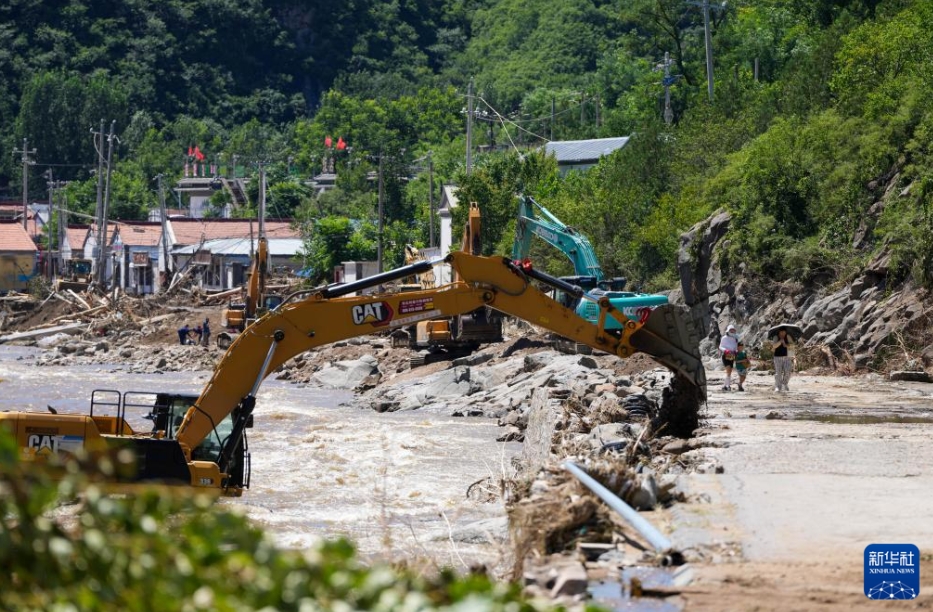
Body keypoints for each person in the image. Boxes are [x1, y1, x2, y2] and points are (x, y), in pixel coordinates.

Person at [719, 323, 740, 391]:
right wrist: (725, 350)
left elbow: (736, 347)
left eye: (733, 330)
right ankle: (728, 386)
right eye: (731, 330)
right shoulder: (724, 338)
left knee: (729, 371)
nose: (732, 331)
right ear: (728, 330)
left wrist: (736, 351)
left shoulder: (735, 338)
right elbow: (720, 346)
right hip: (725, 356)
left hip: (732, 356)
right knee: (728, 370)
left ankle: (725, 386)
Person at [772, 327, 794, 392]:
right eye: (781, 332)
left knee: (788, 371)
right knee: (778, 372)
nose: (782, 334)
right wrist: (780, 342)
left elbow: (792, 345)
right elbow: (774, 346)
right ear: (779, 332)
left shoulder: (788, 336)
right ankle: (778, 386)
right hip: (777, 357)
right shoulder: (775, 337)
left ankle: (785, 384)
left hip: (787, 357)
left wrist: (786, 345)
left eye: (784, 332)